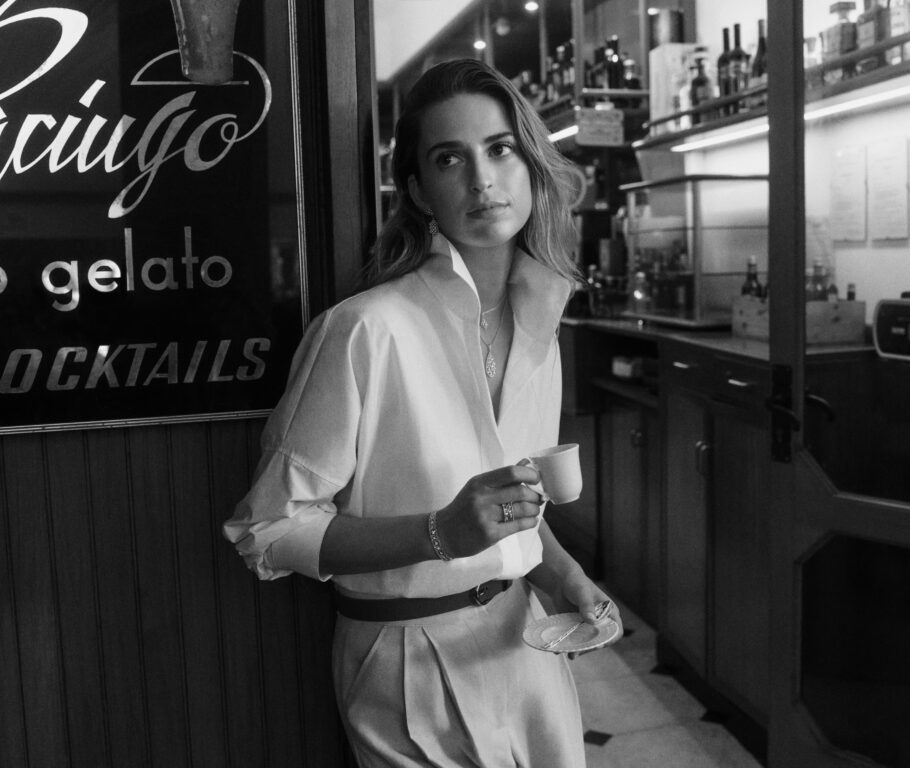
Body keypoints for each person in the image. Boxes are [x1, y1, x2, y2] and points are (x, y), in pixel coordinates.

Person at [223, 58, 621, 767]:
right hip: (405, 659)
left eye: (500, 148)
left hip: (524, 643)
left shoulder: (540, 320)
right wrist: (439, 533)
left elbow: (512, 506)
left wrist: (562, 577)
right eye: (449, 159)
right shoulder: (363, 330)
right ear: (417, 190)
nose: (482, 179)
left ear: (531, 165)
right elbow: (268, 531)